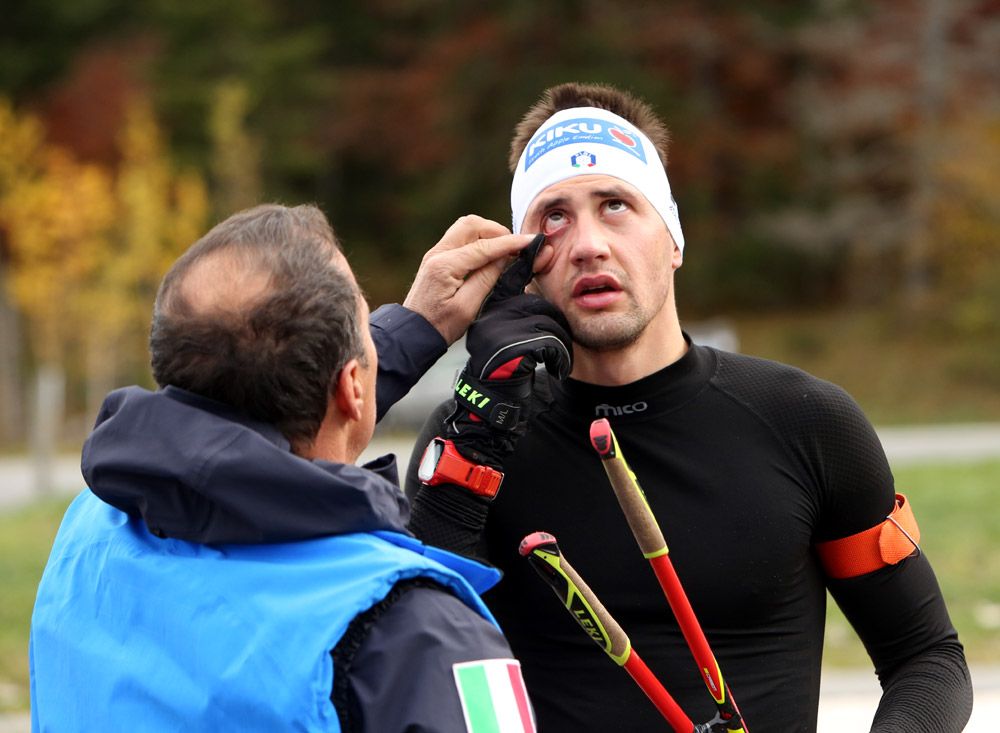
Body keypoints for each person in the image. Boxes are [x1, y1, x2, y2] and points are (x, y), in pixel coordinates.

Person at [404, 83, 973, 732]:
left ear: (673, 238)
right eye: (554, 217)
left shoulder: (806, 421)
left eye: (615, 205)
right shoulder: (470, 441)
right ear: (523, 265)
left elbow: (926, 657)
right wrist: (477, 434)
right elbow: (421, 672)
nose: (588, 244)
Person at [29, 204, 542, 732]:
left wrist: (415, 328)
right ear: (351, 385)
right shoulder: (418, 636)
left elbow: (238, 422)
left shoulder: (91, 527)